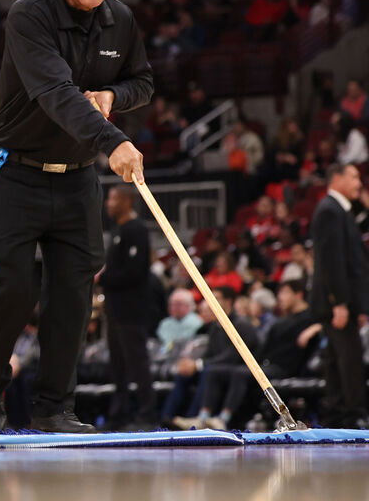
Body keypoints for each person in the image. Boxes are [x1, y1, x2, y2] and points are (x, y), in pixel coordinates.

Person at [0, 0, 152, 433]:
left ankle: (54, 409)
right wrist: (113, 140)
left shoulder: (121, 20)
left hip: (77, 178)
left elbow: (142, 81)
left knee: (73, 295)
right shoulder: (29, 15)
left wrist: (115, 96)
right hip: (15, 171)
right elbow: (56, 93)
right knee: (12, 286)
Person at [180, 280, 318, 430]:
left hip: (286, 367)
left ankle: (223, 419)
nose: (280, 297)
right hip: (268, 364)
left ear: (298, 295)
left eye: (285, 292)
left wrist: (316, 328)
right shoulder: (282, 320)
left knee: (240, 373)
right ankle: (203, 417)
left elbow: (326, 322)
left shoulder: (309, 317)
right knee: (214, 371)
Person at [310, 162, 368, 427]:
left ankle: (337, 415)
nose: (359, 183)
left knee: (335, 361)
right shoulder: (330, 210)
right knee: (348, 360)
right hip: (338, 303)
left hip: (341, 302)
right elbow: (332, 262)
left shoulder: (338, 210)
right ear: (336, 178)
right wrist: (340, 303)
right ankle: (353, 415)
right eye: (354, 177)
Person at [98, 186, 156, 429]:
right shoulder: (117, 230)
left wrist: (102, 278)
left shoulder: (136, 229)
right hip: (114, 309)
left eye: (114, 198)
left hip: (132, 309)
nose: (108, 203)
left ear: (128, 200)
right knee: (118, 365)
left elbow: (135, 272)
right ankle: (119, 415)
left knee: (137, 363)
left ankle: (147, 415)